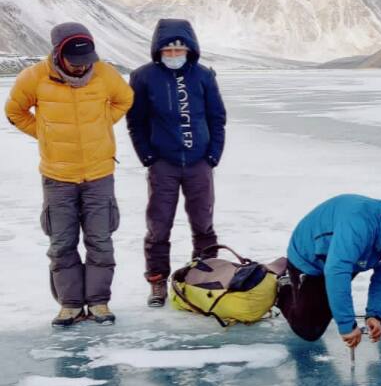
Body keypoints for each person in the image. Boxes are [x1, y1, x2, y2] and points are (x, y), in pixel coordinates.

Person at [4, 22, 133, 326]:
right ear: (59, 54)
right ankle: (71, 305)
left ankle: (99, 303)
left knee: (100, 240)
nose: (81, 67)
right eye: (75, 62)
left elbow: (125, 99)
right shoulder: (34, 77)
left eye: (86, 60)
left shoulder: (105, 74)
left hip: (99, 173)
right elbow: (14, 112)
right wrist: (44, 134)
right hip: (57, 176)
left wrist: (102, 125)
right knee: (61, 243)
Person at [127, 19, 226, 307]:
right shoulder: (143, 77)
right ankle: (157, 282)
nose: (173, 55)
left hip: (199, 162)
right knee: (159, 226)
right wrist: (148, 156)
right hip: (163, 163)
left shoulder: (204, 76)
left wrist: (212, 156)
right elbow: (136, 121)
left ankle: (206, 277)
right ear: (158, 51)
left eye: (179, 49)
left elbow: (217, 118)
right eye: (167, 50)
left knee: (203, 224)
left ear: (190, 49)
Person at [277, 194, 381, 347]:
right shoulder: (357, 226)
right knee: (309, 330)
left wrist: (375, 315)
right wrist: (347, 325)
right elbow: (337, 271)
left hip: (352, 255)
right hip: (311, 259)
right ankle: (283, 288)